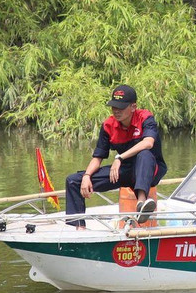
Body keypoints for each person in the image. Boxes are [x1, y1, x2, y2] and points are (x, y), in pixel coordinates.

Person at [64, 84, 167, 227]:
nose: (116, 111)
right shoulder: (108, 125)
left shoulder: (145, 118)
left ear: (133, 107)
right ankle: (78, 228)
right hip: (124, 171)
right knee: (73, 181)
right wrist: (87, 176)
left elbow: (148, 143)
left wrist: (119, 157)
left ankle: (142, 203)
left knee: (144, 154)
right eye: (114, 107)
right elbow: (98, 157)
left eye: (121, 107)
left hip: (150, 169)